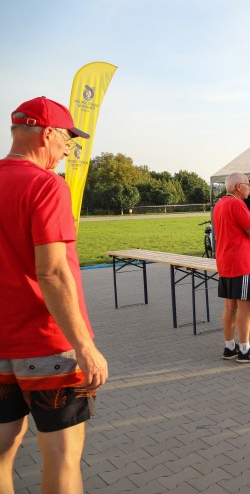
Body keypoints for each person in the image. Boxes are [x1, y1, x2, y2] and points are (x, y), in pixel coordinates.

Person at [1, 96, 109, 493]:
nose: (68, 149)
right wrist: (84, 346)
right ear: (46, 133)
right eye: (67, 138)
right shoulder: (46, 185)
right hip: (47, 343)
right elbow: (52, 272)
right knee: (62, 455)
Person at [214, 172, 250, 363]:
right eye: (247, 184)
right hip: (241, 263)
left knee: (230, 305)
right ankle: (245, 350)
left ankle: (230, 347)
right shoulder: (237, 204)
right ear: (238, 187)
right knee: (245, 305)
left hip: (225, 261)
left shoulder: (220, 204)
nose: (249, 188)